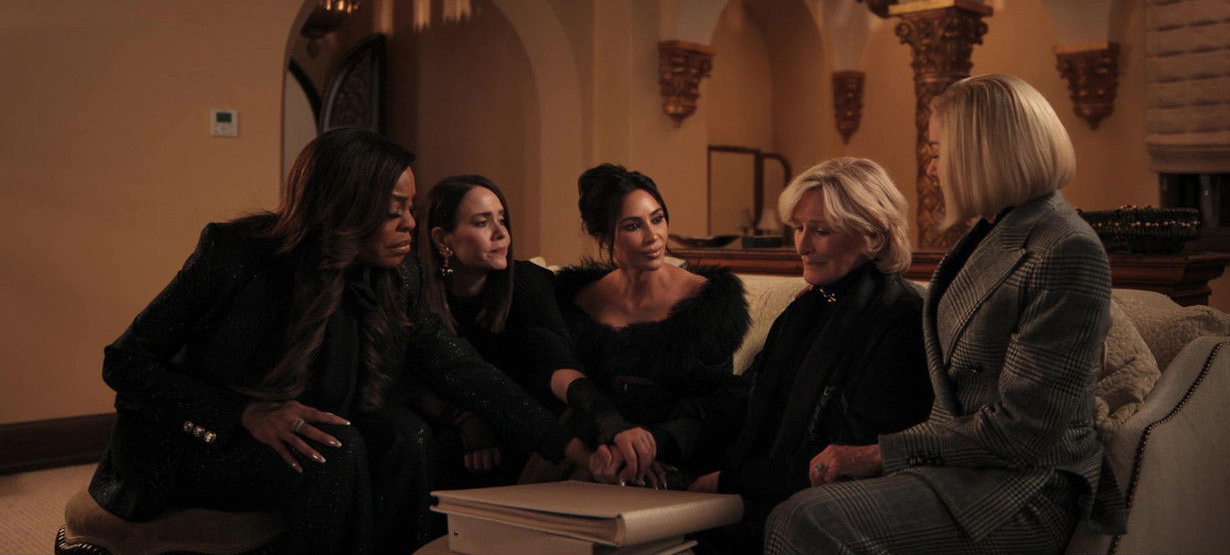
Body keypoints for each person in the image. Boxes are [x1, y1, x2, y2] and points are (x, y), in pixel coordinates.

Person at [88, 129, 586, 555]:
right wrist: (244, 412)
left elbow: (463, 369)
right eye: (393, 210)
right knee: (335, 450)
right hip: (203, 441)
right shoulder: (237, 253)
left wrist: (573, 446)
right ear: (345, 206)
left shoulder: (399, 276)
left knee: (406, 435)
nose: (410, 224)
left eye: (411, 208)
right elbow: (126, 361)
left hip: (309, 428)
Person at [764, 74, 1127, 555]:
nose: (931, 169)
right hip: (958, 469)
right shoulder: (989, 234)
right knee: (791, 505)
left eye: (938, 151)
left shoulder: (1067, 249)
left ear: (984, 153)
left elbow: (1028, 431)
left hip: (1025, 488)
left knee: (806, 519)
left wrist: (881, 453)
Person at [688, 157, 933, 554]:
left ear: (871, 234)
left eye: (821, 231)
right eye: (798, 227)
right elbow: (744, 399)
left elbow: (848, 457)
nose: (802, 246)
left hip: (824, 507)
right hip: (760, 486)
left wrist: (729, 480)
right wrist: (665, 443)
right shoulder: (807, 307)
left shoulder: (901, 320)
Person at [556, 163, 750, 486]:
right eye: (633, 226)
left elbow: (716, 406)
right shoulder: (577, 301)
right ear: (601, 236)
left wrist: (652, 447)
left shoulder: (709, 302)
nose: (653, 237)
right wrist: (608, 446)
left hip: (681, 450)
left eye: (657, 219)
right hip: (598, 443)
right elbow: (572, 390)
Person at [416, 174, 574, 485]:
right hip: (457, 426)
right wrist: (467, 420)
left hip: (535, 423)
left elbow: (558, 367)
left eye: (502, 220)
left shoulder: (526, 282)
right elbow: (410, 381)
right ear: (443, 239)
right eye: (482, 223)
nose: (502, 233)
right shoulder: (418, 293)